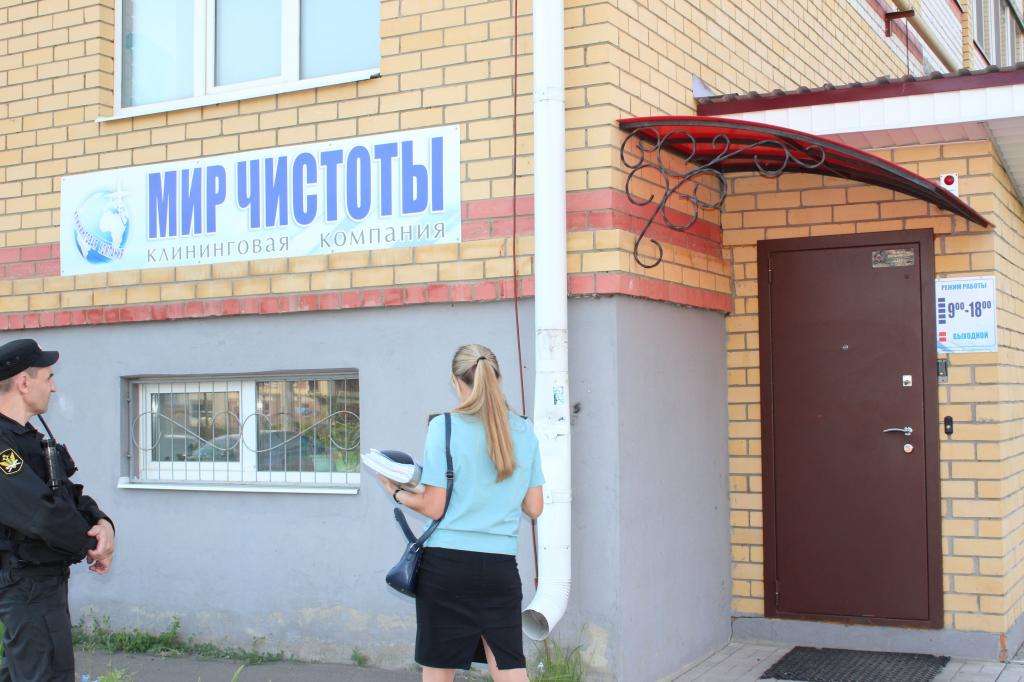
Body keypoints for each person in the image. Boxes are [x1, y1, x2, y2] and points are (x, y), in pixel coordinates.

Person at [379, 344, 544, 682]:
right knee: (510, 670)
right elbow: (534, 507)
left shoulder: (444, 426)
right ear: (496, 378)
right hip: (500, 569)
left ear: (456, 381)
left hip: (446, 569)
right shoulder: (524, 429)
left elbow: (434, 506)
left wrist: (396, 492)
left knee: (439, 671)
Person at [0, 339, 115, 682]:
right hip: (27, 585)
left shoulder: (29, 438)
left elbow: (67, 494)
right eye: (48, 377)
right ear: (24, 382)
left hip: (43, 583)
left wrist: (102, 523)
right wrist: (90, 545)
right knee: (45, 674)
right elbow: (39, 512)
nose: (54, 387)